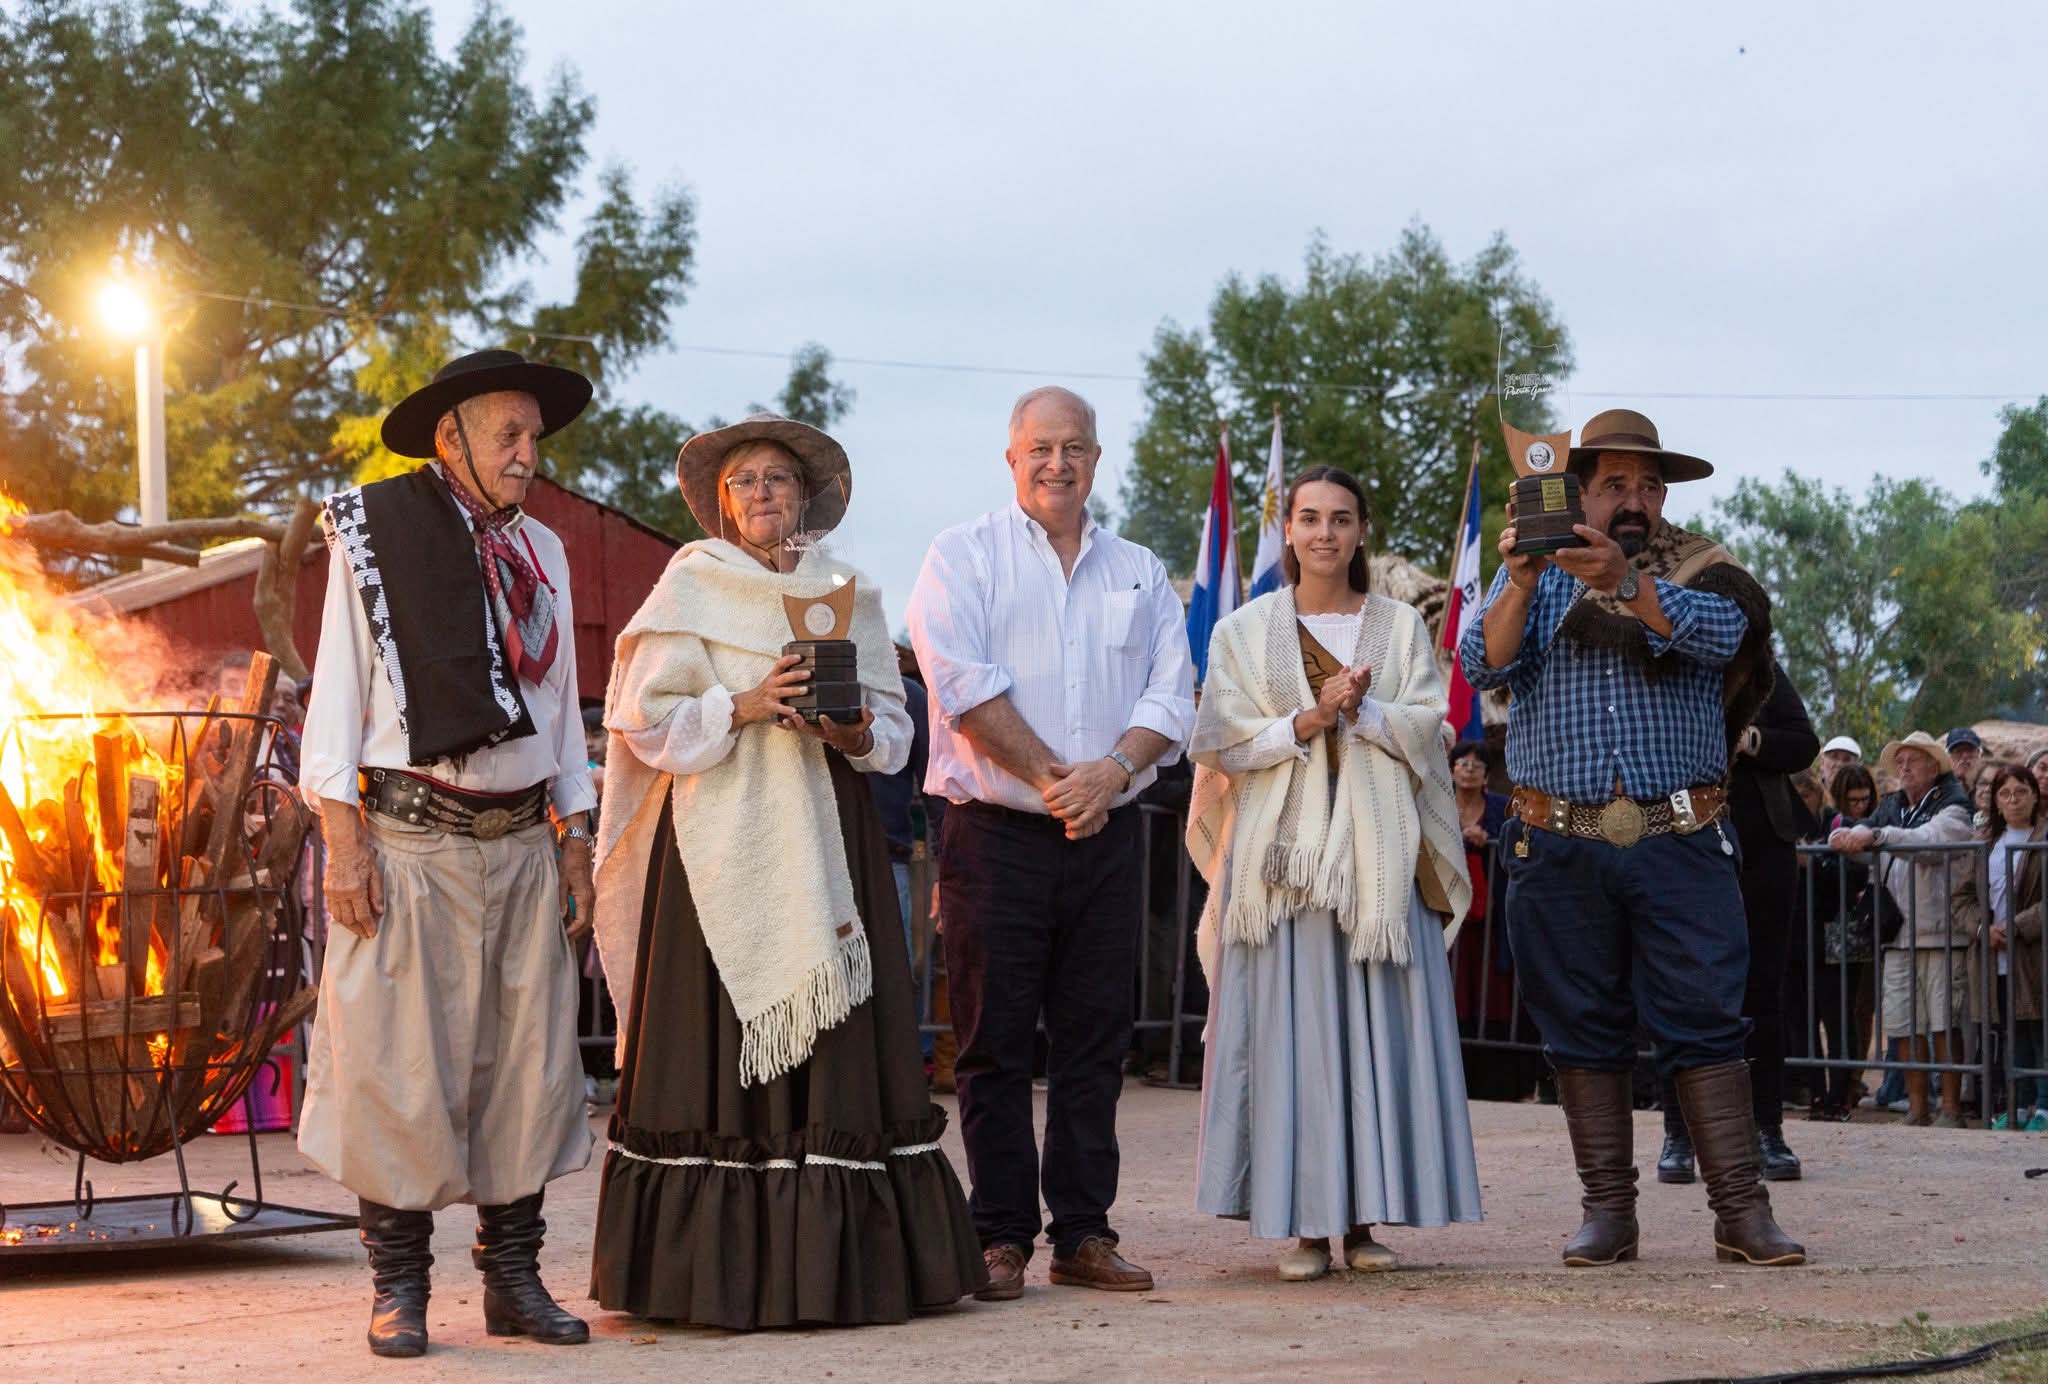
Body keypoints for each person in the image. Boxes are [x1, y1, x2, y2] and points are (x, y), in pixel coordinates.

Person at [587, 414, 984, 1328]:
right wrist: (746, 704)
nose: (763, 494)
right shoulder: (691, 584)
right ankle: (713, 1279)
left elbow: (892, 734)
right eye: (745, 483)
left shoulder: (851, 593)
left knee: (841, 1046)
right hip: (720, 852)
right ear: (723, 506)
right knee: (719, 1057)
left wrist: (848, 730)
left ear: (807, 497)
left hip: (828, 838)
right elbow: (643, 720)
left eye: (777, 479)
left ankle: (843, 1272)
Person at [297, 350, 600, 1357]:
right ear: (450, 439)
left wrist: (578, 832)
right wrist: (342, 839)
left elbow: (559, 715)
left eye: (533, 438)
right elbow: (336, 694)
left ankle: (513, 1281)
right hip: (408, 841)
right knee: (399, 1068)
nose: (526, 455)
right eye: (506, 437)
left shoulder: (545, 552)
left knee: (525, 1066)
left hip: (520, 842)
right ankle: (400, 1290)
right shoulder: (376, 536)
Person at [1459, 407, 1803, 1268]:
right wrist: (1526, 578)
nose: (1636, 497)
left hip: (1680, 839)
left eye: (1649, 484)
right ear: (1577, 490)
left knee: (1708, 1020)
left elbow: (1728, 638)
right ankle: (1609, 1213)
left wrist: (1625, 583)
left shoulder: (1705, 576)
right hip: (1557, 840)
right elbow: (1482, 663)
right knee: (1580, 1026)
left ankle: (1740, 1211)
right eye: (1616, 482)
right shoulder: (1530, 580)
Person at [906, 386, 1195, 1300]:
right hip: (995, 834)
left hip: (1107, 833)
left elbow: (1172, 695)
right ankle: (1000, 1238)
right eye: (1040, 448)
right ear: (1011, 457)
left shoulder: (1141, 571)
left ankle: (1083, 1232)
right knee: (992, 1044)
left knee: (1095, 1040)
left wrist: (1107, 775)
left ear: (1097, 458)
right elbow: (960, 684)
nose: (1057, 464)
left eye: (1073, 448)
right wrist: (1052, 780)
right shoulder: (962, 556)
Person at [1186, 465, 1480, 1282]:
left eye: (1341, 519)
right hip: (1285, 867)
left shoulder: (1399, 628)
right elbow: (1221, 745)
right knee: (1296, 1039)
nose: (1324, 533)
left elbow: (1434, 727)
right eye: (1309, 518)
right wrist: (1308, 720)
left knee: (1377, 1034)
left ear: (1360, 530)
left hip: (1380, 863)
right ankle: (1305, 1227)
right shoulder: (1243, 630)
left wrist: (1367, 712)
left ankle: (1363, 1220)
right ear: (1287, 528)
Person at [1655, 659, 1818, 1184]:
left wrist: (1748, 741)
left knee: (1762, 992)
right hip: (1677, 843)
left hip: (1763, 847)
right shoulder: (1657, 669)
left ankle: (1767, 1130)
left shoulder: (1758, 667)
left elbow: (1802, 742)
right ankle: (1679, 1133)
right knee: (1680, 994)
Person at [1828, 731, 1974, 1127]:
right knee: (1904, 1024)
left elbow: (1930, 841)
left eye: (1914, 760)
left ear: (1934, 766)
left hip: (1941, 932)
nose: (1904, 767)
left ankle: (1951, 1107)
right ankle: (1917, 1108)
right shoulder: (1891, 806)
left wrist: (1874, 836)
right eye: (1901, 761)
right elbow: (1861, 835)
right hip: (1897, 935)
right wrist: (1843, 837)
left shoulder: (1955, 805)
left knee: (1944, 1022)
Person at [1956, 765, 2048, 1130]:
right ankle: (2018, 1103)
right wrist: (1981, 927)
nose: (2013, 800)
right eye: (2005, 793)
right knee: (2010, 1030)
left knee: (2039, 1028)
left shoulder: (2043, 838)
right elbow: (1961, 897)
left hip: (2033, 952)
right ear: (1995, 800)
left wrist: (2020, 926)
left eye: (2020, 792)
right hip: (1993, 953)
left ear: (2034, 795)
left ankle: (2043, 1106)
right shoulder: (1987, 842)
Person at [1447, 740, 1524, 1100]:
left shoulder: (1499, 808)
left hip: (1492, 919)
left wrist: (1489, 839)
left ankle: (1497, 1083)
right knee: (1454, 991)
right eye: (1462, 762)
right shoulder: (1439, 807)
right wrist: (1458, 839)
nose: (1469, 768)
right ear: (1450, 770)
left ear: (1487, 775)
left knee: (1492, 994)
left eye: (1478, 764)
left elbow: (1516, 846)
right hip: (1451, 918)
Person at [1809, 764, 1878, 1120]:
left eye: (1865, 801)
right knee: (1817, 1017)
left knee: (1846, 1017)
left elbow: (1856, 870)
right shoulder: (1816, 824)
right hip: (1814, 936)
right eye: (1853, 800)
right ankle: (1822, 1093)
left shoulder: (1841, 828)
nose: (1860, 808)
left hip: (1845, 938)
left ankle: (1843, 1091)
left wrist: (1818, 860)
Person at [1819, 735, 1863, 803]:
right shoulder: (1809, 795)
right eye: (1834, 757)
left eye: (1847, 759)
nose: (1840, 764)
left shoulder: (1864, 799)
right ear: (1822, 763)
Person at [1946, 727, 1986, 796]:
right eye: (1958, 751)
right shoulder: (1942, 787)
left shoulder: (1988, 787)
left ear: (1979, 755)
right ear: (1949, 757)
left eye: (1970, 750)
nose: (1965, 756)